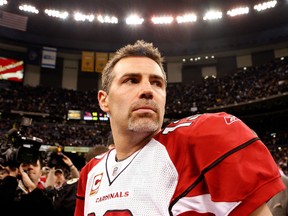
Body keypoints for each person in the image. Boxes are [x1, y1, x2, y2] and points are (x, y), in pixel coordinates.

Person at [74, 40, 285, 215]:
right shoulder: (91, 172)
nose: (148, 90)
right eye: (131, 80)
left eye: (157, 83)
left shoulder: (203, 141)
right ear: (104, 100)